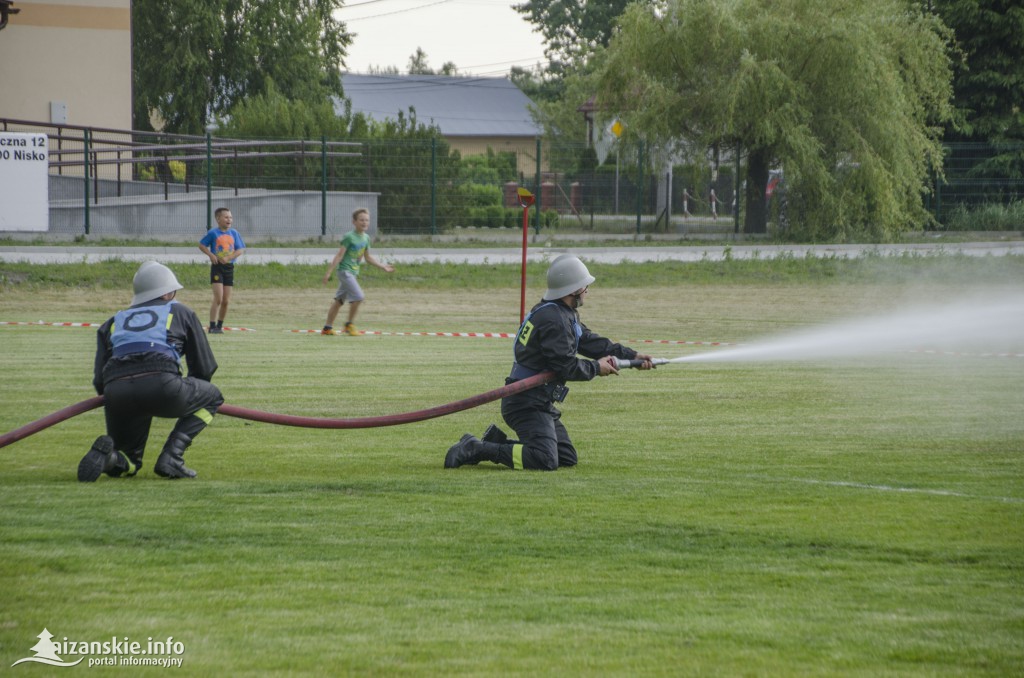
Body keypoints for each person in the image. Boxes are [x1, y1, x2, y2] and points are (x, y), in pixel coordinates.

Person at [445, 254, 653, 471]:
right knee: (544, 459)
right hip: (526, 403)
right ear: (573, 290)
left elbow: (589, 342)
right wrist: (596, 368)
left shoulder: (561, 313)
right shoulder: (554, 320)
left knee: (565, 457)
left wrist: (632, 356)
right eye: (585, 286)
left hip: (538, 400)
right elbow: (565, 366)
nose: (587, 291)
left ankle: (495, 442)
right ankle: (476, 448)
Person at [77, 261, 223, 481]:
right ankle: (172, 456)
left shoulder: (113, 321)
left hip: (117, 391)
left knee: (129, 461)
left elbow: (100, 380)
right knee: (212, 397)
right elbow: (204, 367)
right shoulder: (180, 311)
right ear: (166, 294)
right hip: (163, 385)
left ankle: (110, 459)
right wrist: (187, 395)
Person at [321, 208, 394, 336]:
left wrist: (382, 266)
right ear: (354, 222)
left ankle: (327, 328)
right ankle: (349, 325)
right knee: (359, 297)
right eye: (361, 220)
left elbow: (367, 257)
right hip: (344, 272)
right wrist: (328, 272)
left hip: (353, 273)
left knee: (339, 301)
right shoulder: (349, 237)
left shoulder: (366, 238)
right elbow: (339, 256)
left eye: (367, 220)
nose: (364, 222)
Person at [198, 207, 245, 334]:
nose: (229, 219)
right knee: (218, 298)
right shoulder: (213, 233)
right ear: (218, 219)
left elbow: (240, 249)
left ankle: (219, 325)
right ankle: (212, 325)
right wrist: (211, 255)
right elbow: (202, 245)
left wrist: (229, 257)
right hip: (217, 268)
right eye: (226, 217)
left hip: (229, 268)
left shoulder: (234, 233)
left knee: (226, 301)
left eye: (230, 217)